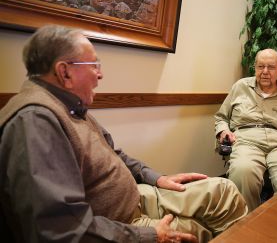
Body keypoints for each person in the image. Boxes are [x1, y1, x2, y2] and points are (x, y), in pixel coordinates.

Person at [0, 25, 248, 243]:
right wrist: (151, 236)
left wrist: (156, 178)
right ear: (65, 72)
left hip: (137, 197)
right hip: (119, 225)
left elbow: (113, 153)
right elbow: (61, 229)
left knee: (223, 191)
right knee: (199, 231)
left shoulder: (68, 106)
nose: (100, 74)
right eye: (94, 65)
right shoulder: (34, 122)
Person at [214, 48, 277, 211]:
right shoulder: (240, 87)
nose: (265, 72)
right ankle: (244, 222)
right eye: (260, 66)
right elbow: (221, 118)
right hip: (246, 142)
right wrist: (223, 131)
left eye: (271, 67)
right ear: (255, 67)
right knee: (243, 171)